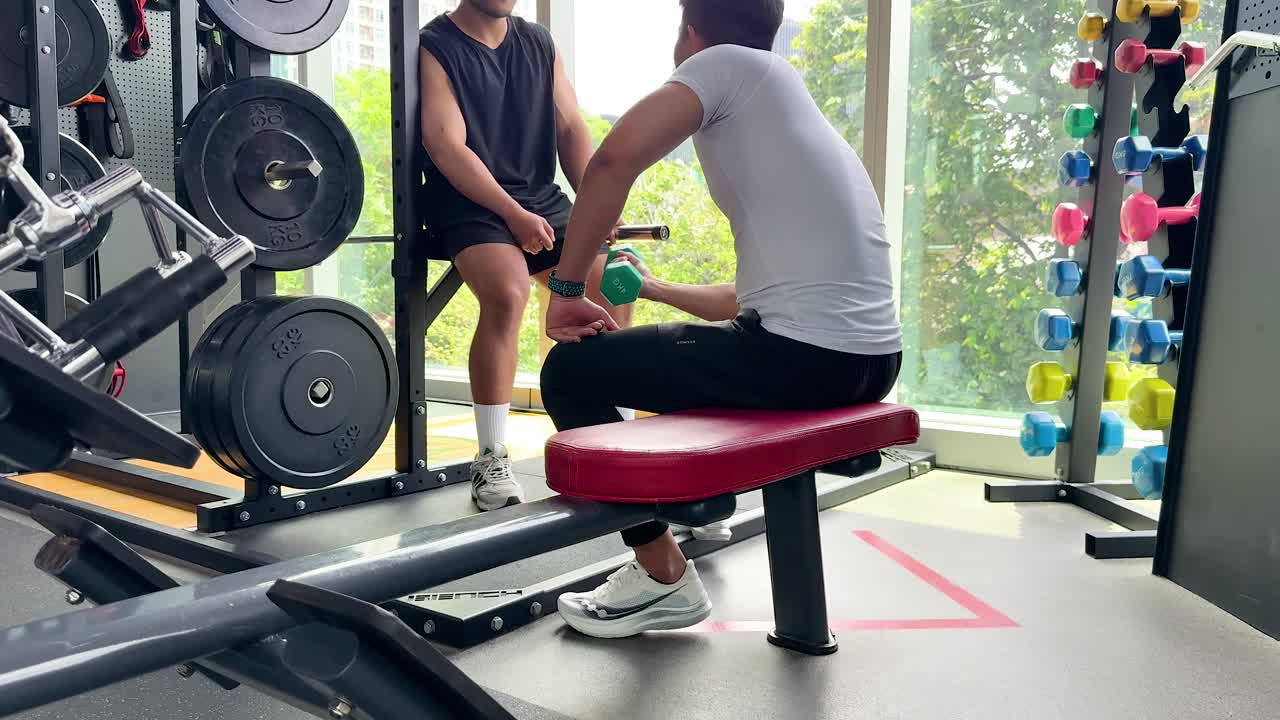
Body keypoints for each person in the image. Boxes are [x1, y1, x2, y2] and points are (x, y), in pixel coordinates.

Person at [538, 0, 904, 640]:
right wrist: (653, 288)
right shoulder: (786, 99)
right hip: (866, 364)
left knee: (570, 371)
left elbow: (610, 163)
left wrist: (566, 286)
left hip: (798, 360)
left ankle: (663, 576)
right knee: (661, 358)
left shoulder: (721, 66)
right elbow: (753, 300)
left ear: (689, 31)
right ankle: (692, 508)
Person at [418, 0, 634, 512]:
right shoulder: (435, 45)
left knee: (618, 281)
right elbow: (446, 146)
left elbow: (570, 128)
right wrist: (512, 215)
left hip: (539, 201)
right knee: (508, 292)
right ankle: (491, 456)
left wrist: (594, 202)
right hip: (469, 202)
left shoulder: (538, 43)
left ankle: (617, 436)